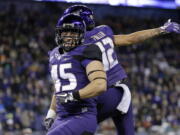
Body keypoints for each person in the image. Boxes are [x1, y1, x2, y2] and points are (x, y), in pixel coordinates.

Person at [45, 5, 180, 135]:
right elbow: (130, 39)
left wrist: (52, 112)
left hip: (101, 92)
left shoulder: (79, 46)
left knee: (75, 119)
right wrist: (160, 29)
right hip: (120, 89)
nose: (68, 29)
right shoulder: (103, 31)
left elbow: (64, 84)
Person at [46, 13, 107, 135]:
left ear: (81, 34)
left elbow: (100, 84)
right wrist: (51, 113)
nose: (68, 37)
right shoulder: (54, 54)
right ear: (59, 33)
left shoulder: (87, 50)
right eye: (65, 33)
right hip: (62, 117)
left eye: (73, 33)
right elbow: (59, 87)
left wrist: (72, 96)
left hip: (82, 115)